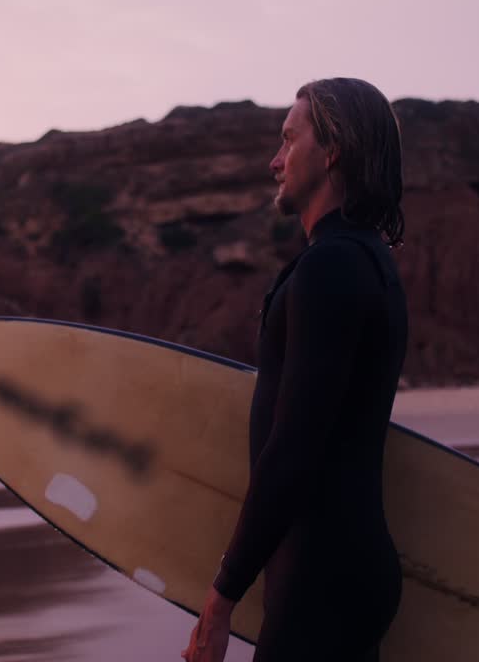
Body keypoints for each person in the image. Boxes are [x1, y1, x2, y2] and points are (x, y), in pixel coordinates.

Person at [182, 78, 408, 662]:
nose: (274, 160)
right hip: (341, 572)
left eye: (288, 140)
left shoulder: (332, 268)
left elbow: (294, 448)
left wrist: (222, 596)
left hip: (321, 581)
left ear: (331, 150)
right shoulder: (368, 262)